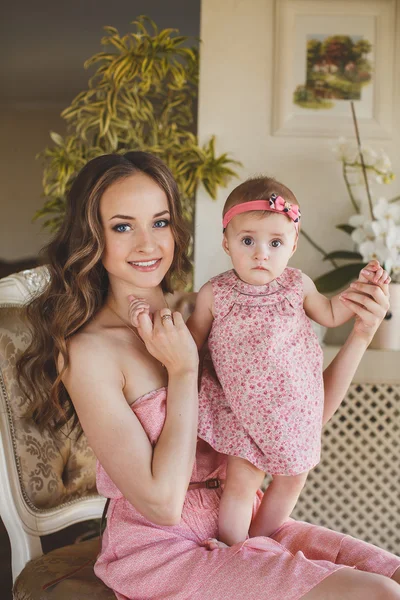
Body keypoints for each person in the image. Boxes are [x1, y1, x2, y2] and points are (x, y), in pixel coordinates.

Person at [17, 152, 400, 600]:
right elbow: (161, 505)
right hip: (164, 550)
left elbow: (299, 421)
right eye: (123, 226)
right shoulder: (89, 353)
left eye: (159, 223)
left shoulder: (211, 308)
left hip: (246, 523)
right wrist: (183, 370)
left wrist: (360, 334)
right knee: (376, 595)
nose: (147, 243)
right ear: (93, 237)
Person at [185, 176, 390, 547]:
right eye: (248, 241)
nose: (261, 253)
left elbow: (330, 312)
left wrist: (360, 290)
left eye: (275, 242)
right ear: (226, 242)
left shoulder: (298, 286)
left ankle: (259, 542)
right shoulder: (216, 293)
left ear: (292, 245)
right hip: (242, 411)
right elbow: (190, 342)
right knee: (242, 481)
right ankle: (232, 549)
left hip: (293, 407)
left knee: (294, 477)